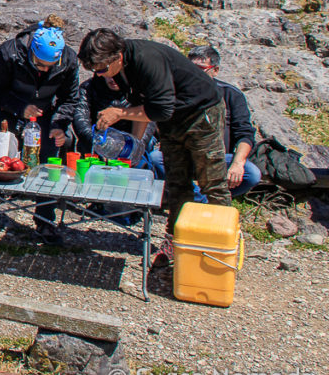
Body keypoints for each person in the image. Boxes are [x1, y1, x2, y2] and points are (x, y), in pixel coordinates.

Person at [77, 29, 229, 268]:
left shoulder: (148, 60)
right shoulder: (123, 68)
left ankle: (220, 251)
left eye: (102, 69)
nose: (99, 74)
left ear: (117, 56)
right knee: (177, 183)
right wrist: (135, 147)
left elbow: (161, 109)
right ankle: (174, 247)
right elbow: (143, 105)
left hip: (201, 113)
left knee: (212, 181)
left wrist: (120, 113)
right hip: (173, 121)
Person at [0, 16, 79, 244]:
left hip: (44, 114)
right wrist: (20, 107)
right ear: (32, 50)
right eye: (40, 64)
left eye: (49, 66)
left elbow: (70, 98)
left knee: (47, 164)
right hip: (6, 109)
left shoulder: (69, 60)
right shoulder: (10, 53)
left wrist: (59, 125)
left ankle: (45, 222)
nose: (44, 70)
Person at [148, 46, 261, 200]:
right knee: (155, 158)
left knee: (252, 174)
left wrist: (238, 163)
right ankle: (202, 199)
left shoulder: (230, 94)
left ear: (215, 70)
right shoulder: (174, 92)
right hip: (182, 156)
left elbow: (245, 133)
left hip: (217, 158)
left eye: (201, 69)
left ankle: (194, 197)